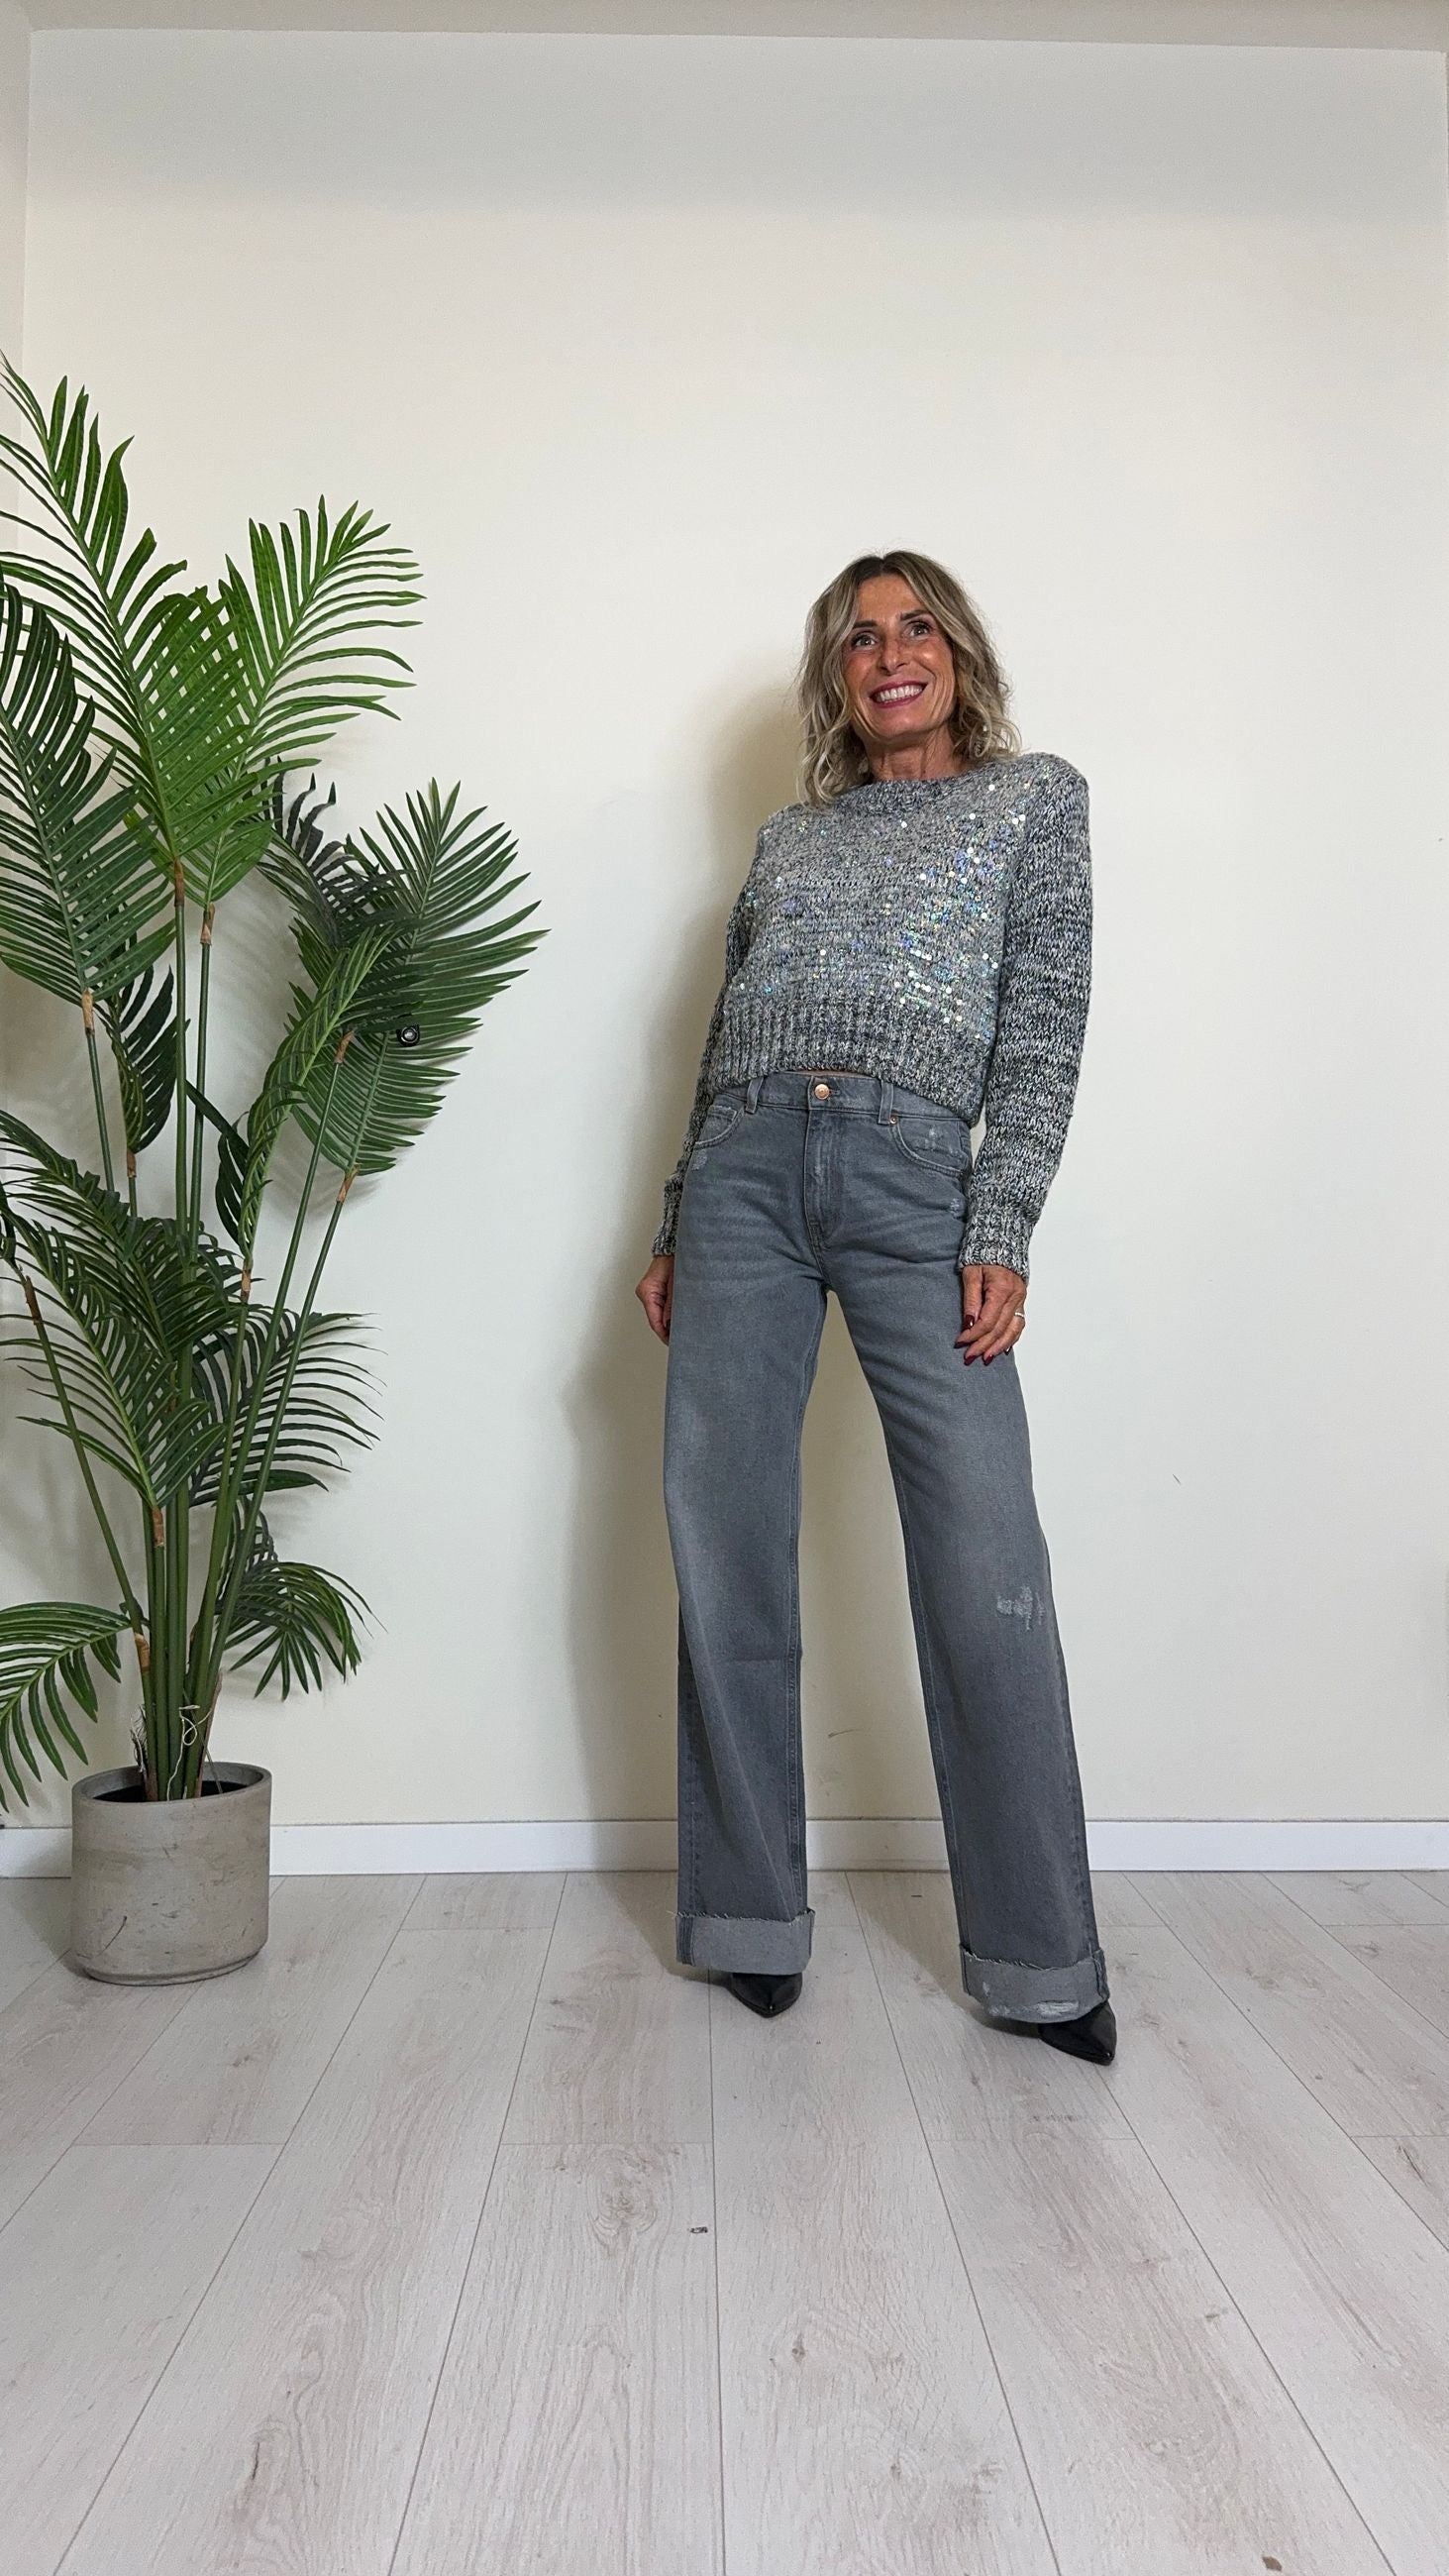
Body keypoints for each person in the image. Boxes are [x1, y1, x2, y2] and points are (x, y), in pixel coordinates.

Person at [635, 549, 1114, 2066]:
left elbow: (1044, 1022)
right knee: (725, 1544)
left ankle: (1042, 1963)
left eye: (916, 628)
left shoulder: (1034, 804)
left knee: (984, 1559)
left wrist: (1002, 1220)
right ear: (834, 677)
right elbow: (727, 1035)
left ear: (959, 653)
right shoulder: (792, 836)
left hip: (917, 1180)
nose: (890, 654)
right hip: (744, 1178)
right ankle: (748, 1921)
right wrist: (678, 1217)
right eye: (859, 638)